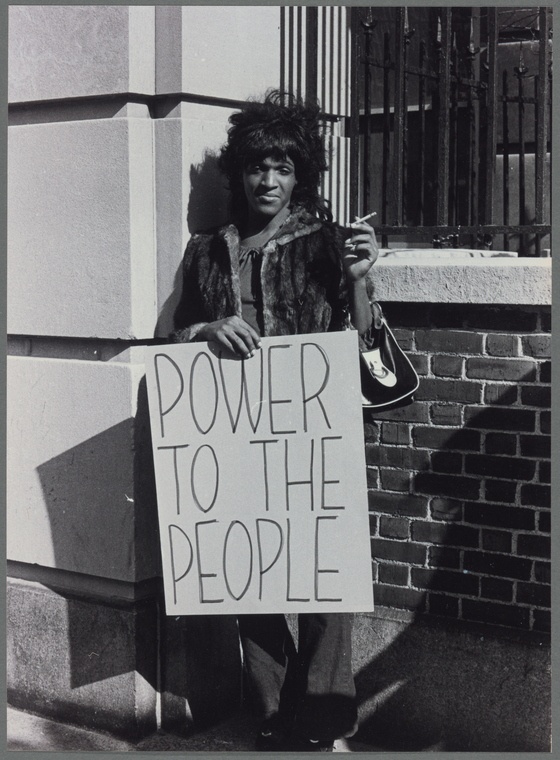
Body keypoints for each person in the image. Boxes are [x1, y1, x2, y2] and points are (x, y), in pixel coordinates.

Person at [172, 90, 379, 752]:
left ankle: (322, 719)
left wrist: (359, 281)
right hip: (234, 437)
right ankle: (270, 713)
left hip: (312, 437)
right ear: (238, 172)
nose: (269, 179)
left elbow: (369, 348)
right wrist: (206, 328)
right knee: (252, 580)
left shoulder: (328, 243)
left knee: (325, 584)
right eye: (259, 166)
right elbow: (168, 339)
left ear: (301, 176)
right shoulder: (207, 250)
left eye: (284, 167)